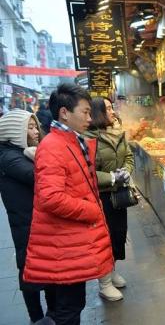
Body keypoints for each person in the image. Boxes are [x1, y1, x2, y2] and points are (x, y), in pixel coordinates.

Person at [23, 83, 114, 324]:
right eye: (85, 112)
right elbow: (50, 197)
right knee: (68, 309)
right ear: (64, 112)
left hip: (69, 243)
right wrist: (92, 210)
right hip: (63, 246)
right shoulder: (53, 146)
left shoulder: (72, 141)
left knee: (70, 305)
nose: (89, 117)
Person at [0, 110, 54, 323]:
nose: (35, 132)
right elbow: (38, 177)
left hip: (36, 219)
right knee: (30, 270)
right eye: (29, 128)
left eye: (35, 127)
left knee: (46, 267)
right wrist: (40, 156)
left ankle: (51, 313)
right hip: (26, 222)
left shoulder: (23, 150)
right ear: (14, 132)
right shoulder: (9, 157)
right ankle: (37, 317)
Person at [86, 96, 134, 302]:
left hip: (118, 195)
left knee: (117, 234)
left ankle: (112, 270)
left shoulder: (118, 132)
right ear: (98, 113)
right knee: (102, 238)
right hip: (100, 197)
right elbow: (86, 171)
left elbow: (129, 157)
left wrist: (126, 171)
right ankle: (104, 282)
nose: (113, 111)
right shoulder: (87, 138)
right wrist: (112, 177)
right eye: (108, 108)